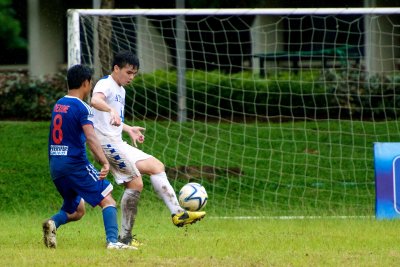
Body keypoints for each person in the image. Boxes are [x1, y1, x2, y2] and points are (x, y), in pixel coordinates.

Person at [90, 50, 206, 246]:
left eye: (134, 73)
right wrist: (110, 109)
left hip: (117, 141)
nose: (131, 77)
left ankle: (178, 214)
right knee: (135, 184)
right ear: (116, 69)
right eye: (128, 72)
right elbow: (95, 100)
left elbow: (112, 120)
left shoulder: (121, 90)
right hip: (105, 143)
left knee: (157, 166)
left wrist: (128, 129)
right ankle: (124, 239)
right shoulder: (105, 84)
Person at [43, 64, 137, 250]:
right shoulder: (83, 108)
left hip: (56, 166)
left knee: (77, 210)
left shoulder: (59, 104)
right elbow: (91, 137)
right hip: (75, 164)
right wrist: (104, 162)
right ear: (86, 83)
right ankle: (113, 242)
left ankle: (52, 223)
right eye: (91, 83)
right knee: (107, 199)